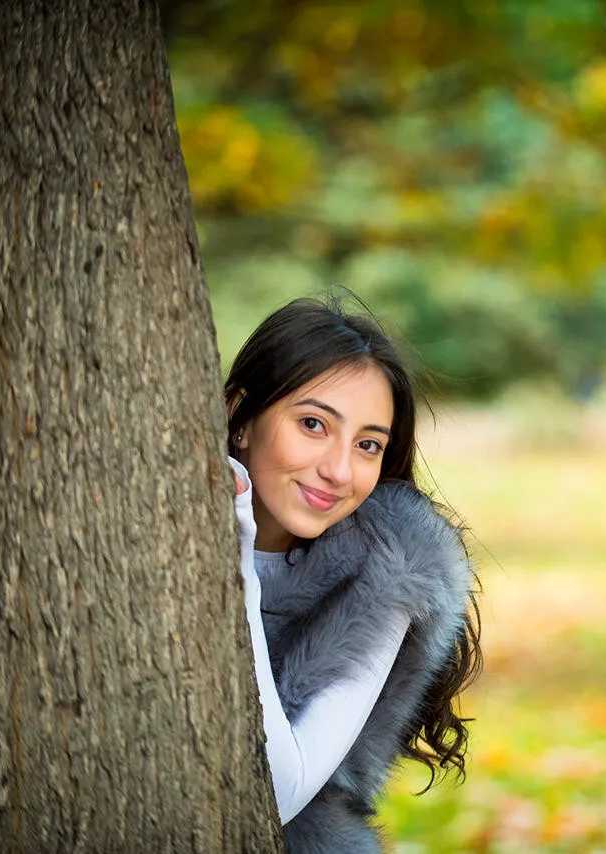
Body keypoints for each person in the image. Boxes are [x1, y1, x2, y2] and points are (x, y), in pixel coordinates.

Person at [224, 297, 481, 852]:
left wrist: (236, 571)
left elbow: (274, 798)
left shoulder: (389, 571)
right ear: (239, 417)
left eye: (367, 445)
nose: (339, 470)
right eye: (313, 424)